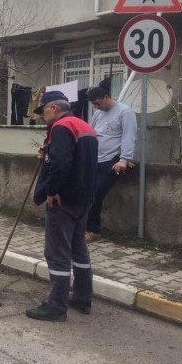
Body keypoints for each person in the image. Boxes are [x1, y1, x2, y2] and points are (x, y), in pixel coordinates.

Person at [29, 91, 98, 321]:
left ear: (54, 108)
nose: (42, 116)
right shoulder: (83, 125)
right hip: (84, 198)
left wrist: (51, 191)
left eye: (43, 111)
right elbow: (74, 158)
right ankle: (82, 297)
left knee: (57, 252)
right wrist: (48, 152)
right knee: (78, 247)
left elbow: (61, 164)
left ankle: (56, 306)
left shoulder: (61, 127)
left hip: (63, 199)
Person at [85, 86, 137, 242]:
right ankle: (86, 227)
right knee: (88, 193)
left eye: (98, 103)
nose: (96, 107)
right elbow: (92, 133)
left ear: (106, 96)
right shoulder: (98, 114)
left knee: (96, 192)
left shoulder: (124, 112)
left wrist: (124, 159)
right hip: (96, 159)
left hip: (113, 161)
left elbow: (129, 136)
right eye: (94, 105)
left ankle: (93, 231)